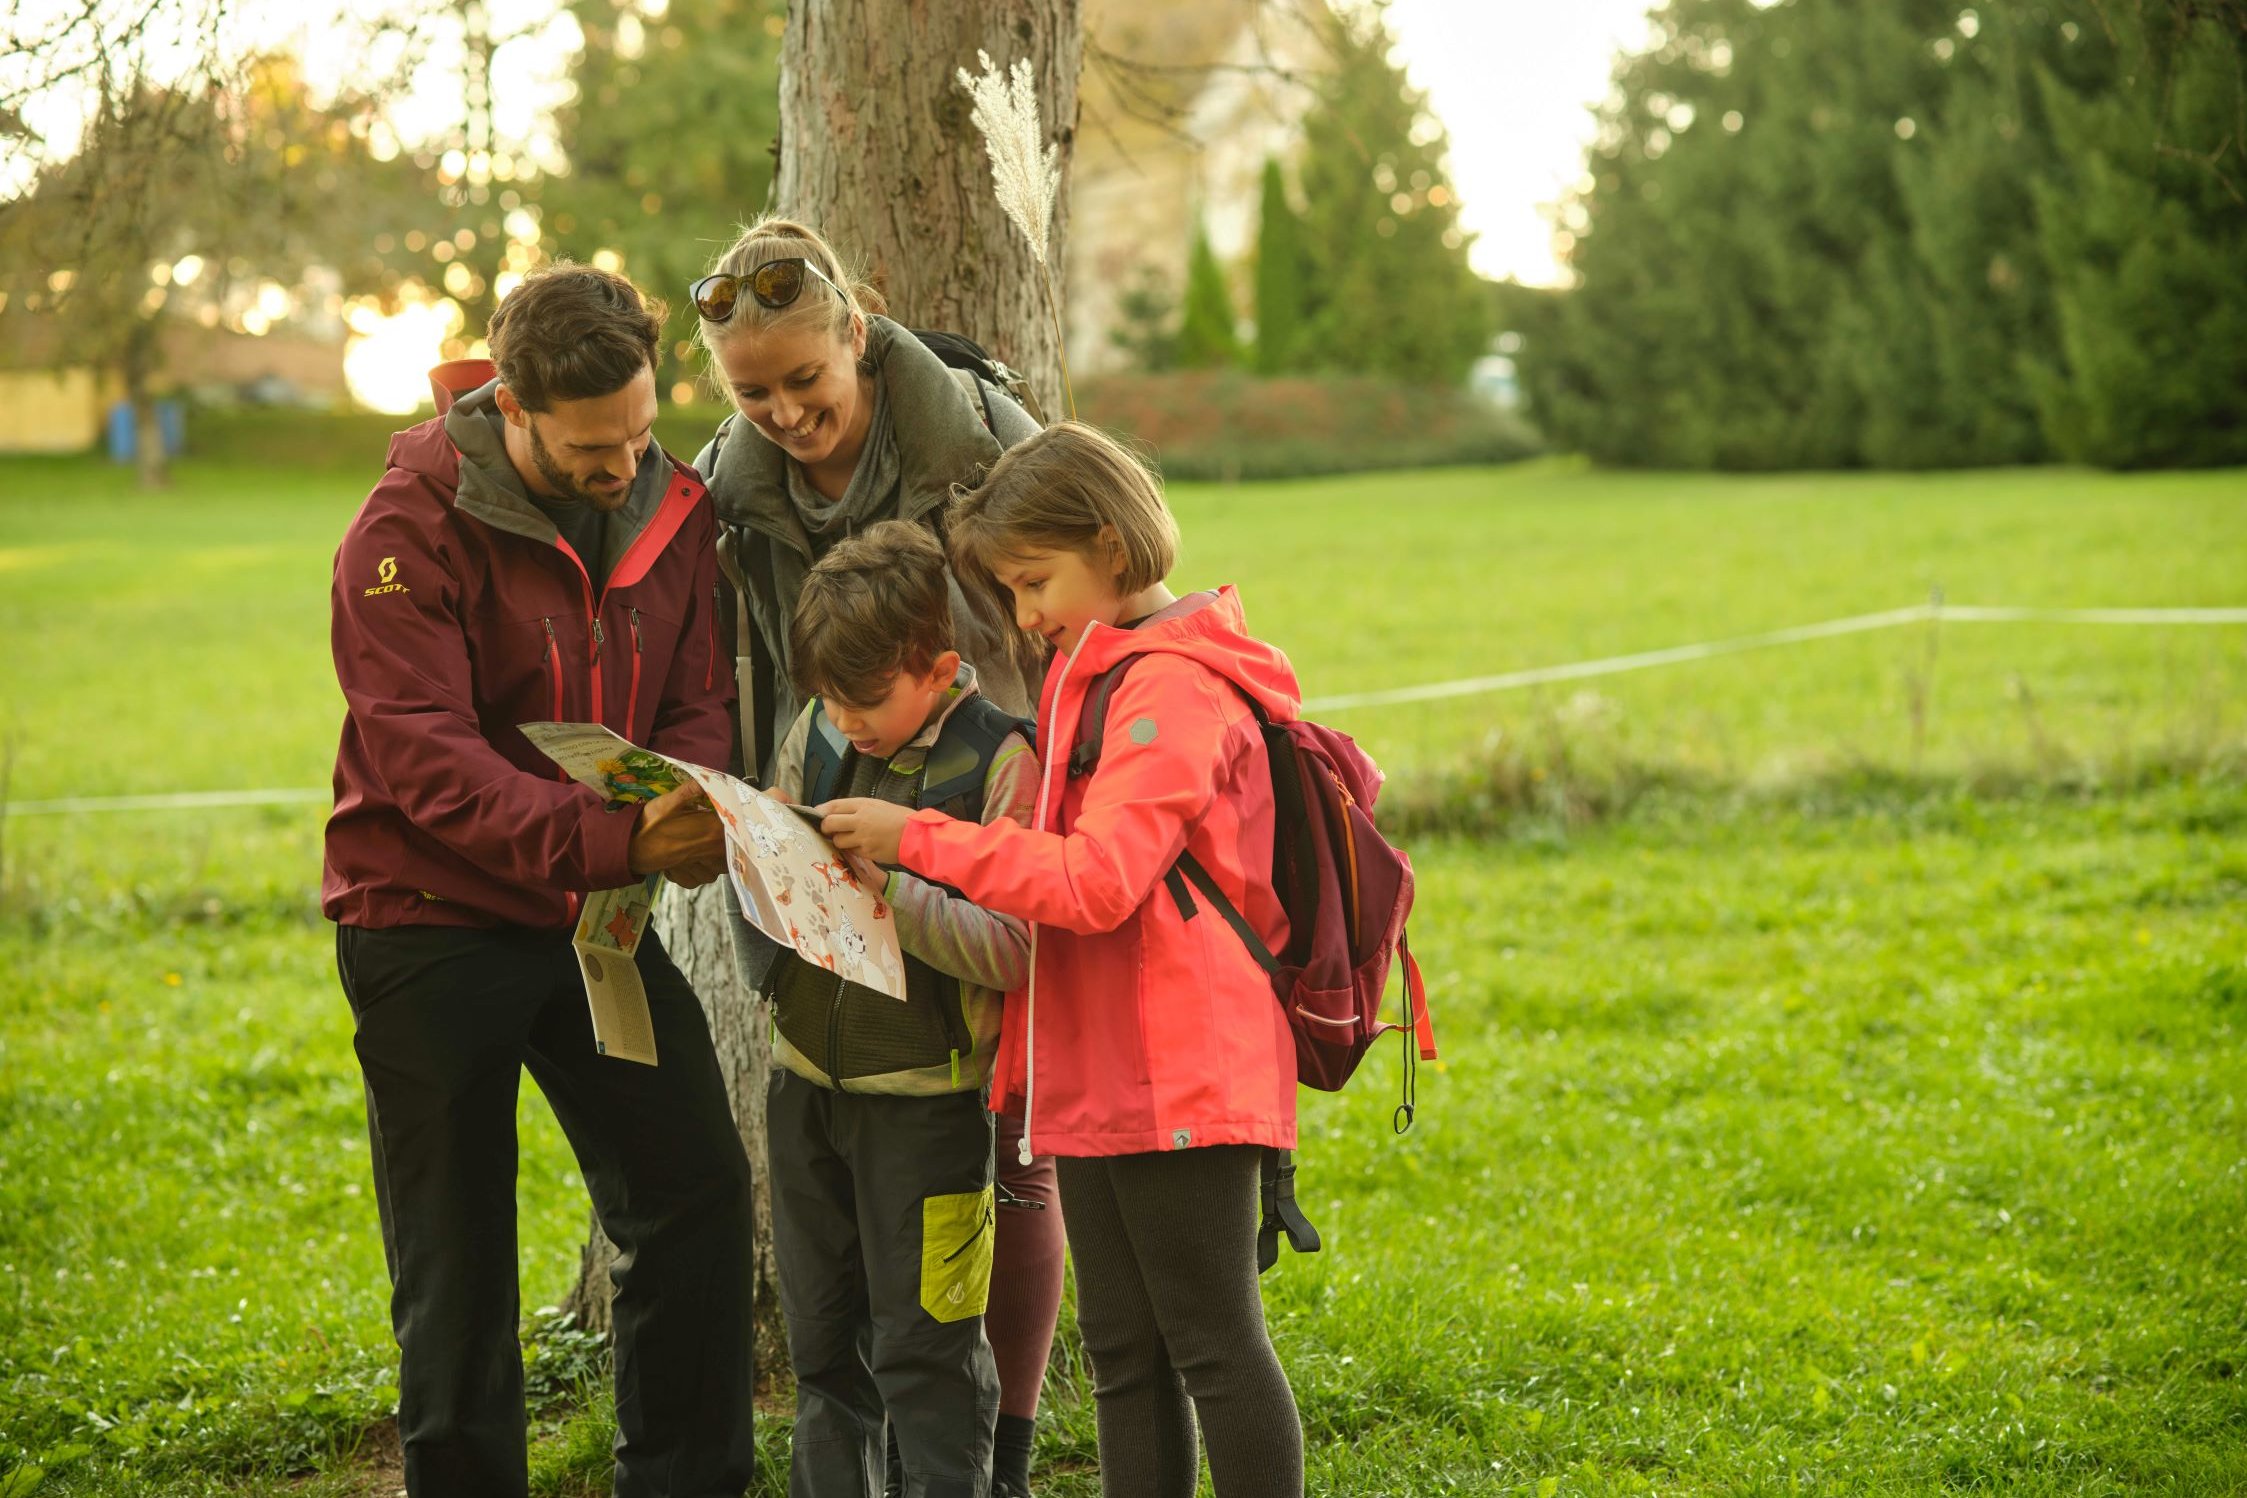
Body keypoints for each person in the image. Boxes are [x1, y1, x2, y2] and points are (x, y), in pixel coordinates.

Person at [322, 263, 756, 1498]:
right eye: (589, 450)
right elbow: (430, 769)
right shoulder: (404, 529)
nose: (625, 467)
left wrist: (691, 796)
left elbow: (697, 694)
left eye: (638, 431)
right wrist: (620, 844)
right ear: (511, 406)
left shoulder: (673, 502)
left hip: (593, 929)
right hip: (427, 921)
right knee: (457, 1258)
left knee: (696, 1190)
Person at [820, 421, 1308, 1498]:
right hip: (1098, 1066)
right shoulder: (1096, 676)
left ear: (1112, 543)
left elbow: (1096, 881)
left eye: (1035, 581)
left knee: (1213, 1344)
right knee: (1125, 1353)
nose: (1027, 614)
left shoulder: (1170, 689)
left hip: (1180, 1066)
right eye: (1012, 591)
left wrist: (918, 842)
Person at [690, 218, 1065, 1497]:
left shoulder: (982, 442)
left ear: (857, 333)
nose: (787, 411)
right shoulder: (729, 495)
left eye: (806, 378)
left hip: (986, 836)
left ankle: (994, 1455)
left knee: (1002, 1191)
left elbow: (1081, 592)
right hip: (827, 892)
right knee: (840, 1306)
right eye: (755, 392)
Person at [758, 518, 1040, 1498]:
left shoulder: (1001, 762)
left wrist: (894, 884)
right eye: (828, 695)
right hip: (805, 1095)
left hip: (933, 1111)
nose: (845, 716)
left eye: (866, 697)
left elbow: (1016, 948)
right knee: (825, 1343)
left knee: (929, 1348)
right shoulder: (820, 729)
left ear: (941, 665)